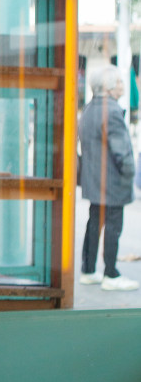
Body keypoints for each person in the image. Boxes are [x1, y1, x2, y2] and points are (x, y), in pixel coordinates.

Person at [78, 64, 138, 290]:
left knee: (94, 224)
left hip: (93, 180)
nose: (123, 86)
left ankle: (88, 270)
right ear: (110, 87)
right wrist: (129, 175)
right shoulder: (111, 111)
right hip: (112, 181)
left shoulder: (90, 108)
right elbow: (121, 151)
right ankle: (111, 274)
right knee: (113, 226)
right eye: (120, 82)